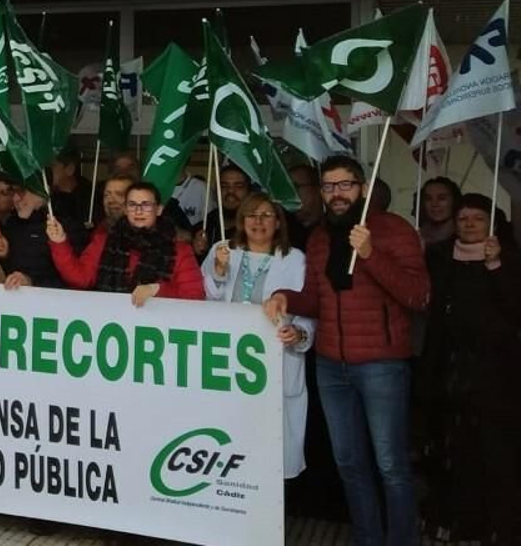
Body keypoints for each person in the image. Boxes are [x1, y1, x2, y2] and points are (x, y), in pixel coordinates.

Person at [263, 155, 429, 546]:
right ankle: (367, 537)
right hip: (331, 365)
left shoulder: (394, 230)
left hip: (381, 365)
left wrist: (371, 254)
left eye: (345, 185)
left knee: (390, 465)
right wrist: (283, 295)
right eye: (328, 186)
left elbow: (419, 296)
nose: (337, 194)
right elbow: (319, 302)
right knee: (349, 463)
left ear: (363, 188)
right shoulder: (321, 237)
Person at [417, 194, 519, 544]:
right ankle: (457, 521)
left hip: (496, 377)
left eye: (478, 218)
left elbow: (514, 310)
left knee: (495, 453)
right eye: (464, 218)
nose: (470, 224)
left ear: (492, 223)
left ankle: (498, 526)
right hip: (448, 370)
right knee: (452, 452)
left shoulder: (510, 259)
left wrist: (496, 266)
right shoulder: (440, 257)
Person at [202, 193, 314, 478]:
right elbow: (204, 301)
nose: (258, 221)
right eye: (251, 215)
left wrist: (300, 332)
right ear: (241, 220)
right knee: (229, 437)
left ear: (278, 222)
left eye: (266, 215)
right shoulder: (223, 250)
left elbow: (308, 305)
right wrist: (218, 271)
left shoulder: (294, 259)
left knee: (271, 442)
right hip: (227, 361)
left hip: (274, 360)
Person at [48, 179, 204, 306]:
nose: (138, 211)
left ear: (159, 210)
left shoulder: (179, 250)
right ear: (125, 209)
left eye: (146, 205)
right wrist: (60, 243)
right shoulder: (105, 241)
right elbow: (80, 278)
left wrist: (157, 290)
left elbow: (195, 297)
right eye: (132, 205)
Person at [0, 183, 64, 289]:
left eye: (22, 192)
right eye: (13, 192)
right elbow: (7, 273)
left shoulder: (66, 226)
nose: (15, 198)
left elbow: (73, 284)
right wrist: (4, 255)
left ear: (43, 192)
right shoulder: (12, 224)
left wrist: (32, 282)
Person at [194, 163, 253, 258]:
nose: (230, 191)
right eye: (224, 186)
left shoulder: (257, 228)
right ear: (216, 191)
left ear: (249, 192)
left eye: (238, 186)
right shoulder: (204, 227)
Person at [286, 163, 324, 249]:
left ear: (317, 188)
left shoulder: (332, 230)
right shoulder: (283, 231)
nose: (291, 194)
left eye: (296, 186)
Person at [416, 175, 459, 248]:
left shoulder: (463, 236)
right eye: (428, 199)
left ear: (454, 201)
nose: (434, 204)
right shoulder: (416, 236)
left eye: (442, 198)